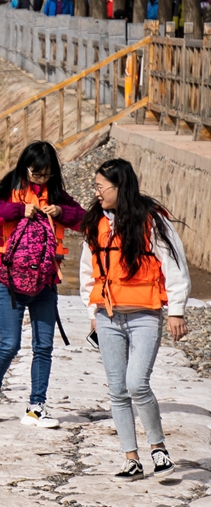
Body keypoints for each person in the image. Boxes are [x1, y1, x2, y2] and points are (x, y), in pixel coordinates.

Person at [79, 159, 191, 479]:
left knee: (136, 383)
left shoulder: (152, 220)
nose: (97, 193)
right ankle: (131, 457)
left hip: (145, 315)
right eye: (95, 187)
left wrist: (177, 311)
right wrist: (92, 314)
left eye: (101, 187)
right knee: (117, 390)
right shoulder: (95, 223)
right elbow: (88, 273)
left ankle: (158, 448)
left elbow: (175, 265)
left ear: (120, 186)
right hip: (108, 317)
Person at [0, 141, 87, 427]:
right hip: (9, 281)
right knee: (9, 344)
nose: (41, 180)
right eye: (36, 174)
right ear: (25, 167)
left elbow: (86, 220)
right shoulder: (5, 192)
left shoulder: (58, 195)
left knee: (43, 347)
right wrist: (17, 210)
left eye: (46, 175)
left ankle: (36, 406)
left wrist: (62, 213)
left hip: (46, 281)